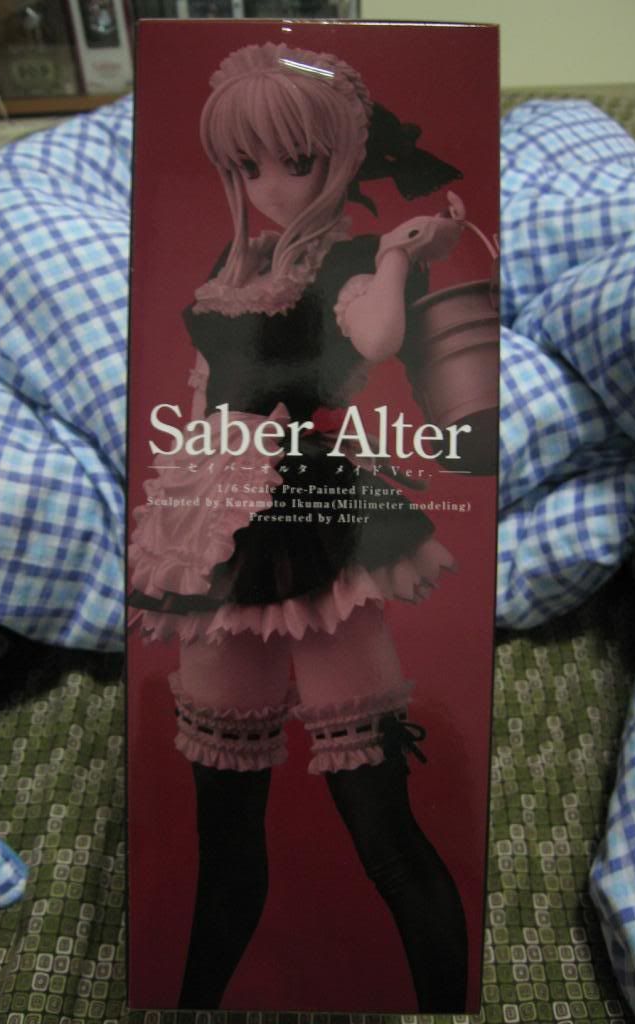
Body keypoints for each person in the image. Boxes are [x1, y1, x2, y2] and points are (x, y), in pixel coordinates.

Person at [129, 41, 468, 1013]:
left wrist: (398, 256)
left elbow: (377, 337)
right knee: (224, 839)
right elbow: (205, 384)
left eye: (296, 160)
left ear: (341, 154)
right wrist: (186, 488)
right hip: (214, 526)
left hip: (307, 522)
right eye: (246, 165)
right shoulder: (232, 265)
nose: (269, 185)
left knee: (383, 834)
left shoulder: (353, 258)